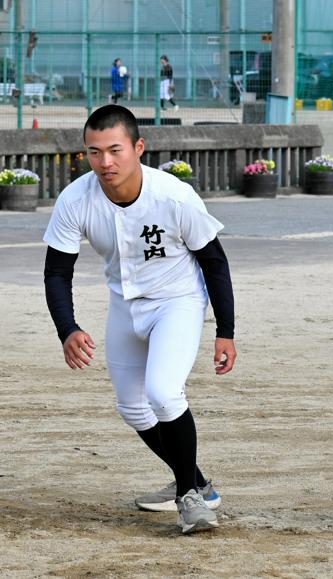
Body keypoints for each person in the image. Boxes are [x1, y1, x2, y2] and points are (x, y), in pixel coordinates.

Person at [43, 104, 236, 534]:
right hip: (124, 305)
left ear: (138, 148)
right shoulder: (76, 199)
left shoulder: (174, 196)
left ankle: (190, 499)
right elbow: (57, 271)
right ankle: (198, 482)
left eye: (115, 150)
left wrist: (226, 331)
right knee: (132, 407)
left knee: (163, 393)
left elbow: (214, 262)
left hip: (177, 302)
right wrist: (67, 328)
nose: (105, 162)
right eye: (94, 152)